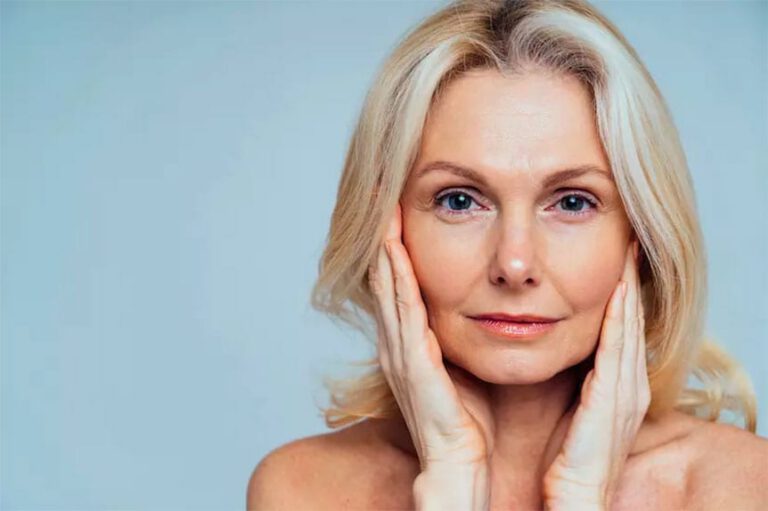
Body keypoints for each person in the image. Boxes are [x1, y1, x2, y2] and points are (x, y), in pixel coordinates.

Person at [247, 0, 767, 509]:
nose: (514, 265)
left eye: (571, 202)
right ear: (385, 223)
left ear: (643, 232)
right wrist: (450, 475)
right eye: (459, 200)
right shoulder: (303, 491)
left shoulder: (742, 489)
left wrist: (582, 497)